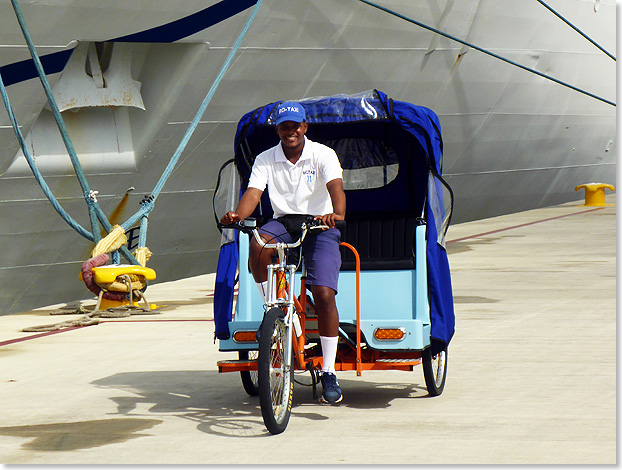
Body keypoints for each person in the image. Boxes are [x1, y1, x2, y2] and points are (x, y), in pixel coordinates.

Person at [220, 101, 346, 404]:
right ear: (278, 129)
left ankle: (329, 370)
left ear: (304, 127)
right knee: (258, 243)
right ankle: (273, 308)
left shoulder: (323, 154)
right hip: (284, 222)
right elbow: (253, 193)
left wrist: (337, 215)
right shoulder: (266, 158)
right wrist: (238, 216)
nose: (290, 131)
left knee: (325, 294)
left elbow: (336, 188)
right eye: (284, 127)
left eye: (295, 126)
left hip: (321, 224)